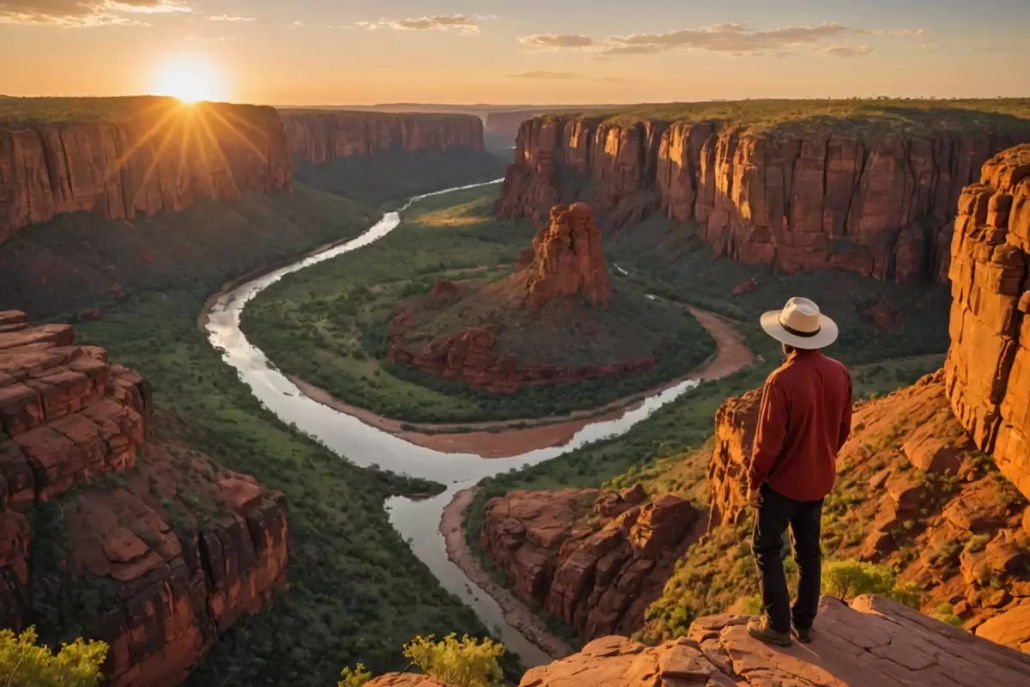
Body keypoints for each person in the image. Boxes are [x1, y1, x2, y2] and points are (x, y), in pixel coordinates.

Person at [746, 297, 852, 647]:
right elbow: (843, 428)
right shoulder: (839, 372)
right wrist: (822, 457)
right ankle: (803, 623)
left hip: (782, 486)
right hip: (818, 482)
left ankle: (777, 625)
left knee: (766, 547)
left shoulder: (781, 381)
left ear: (786, 339)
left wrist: (753, 481)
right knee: (809, 552)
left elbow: (767, 445)